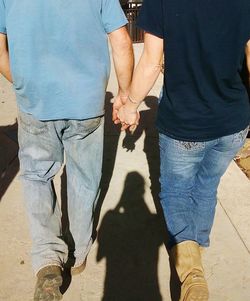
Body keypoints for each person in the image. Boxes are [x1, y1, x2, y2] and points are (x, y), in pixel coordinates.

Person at [114, 0, 250, 300]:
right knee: (206, 187)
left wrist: (132, 106)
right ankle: (197, 244)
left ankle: (192, 274)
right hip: (233, 121)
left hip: (186, 123)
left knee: (175, 193)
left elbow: (151, 62)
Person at [0, 1, 134, 300]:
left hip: (35, 103)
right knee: (84, 178)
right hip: (86, 104)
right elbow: (122, 40)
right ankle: (79, 251)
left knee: (37, 177)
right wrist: (124, 95)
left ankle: (48, 260)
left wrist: (24, 84)